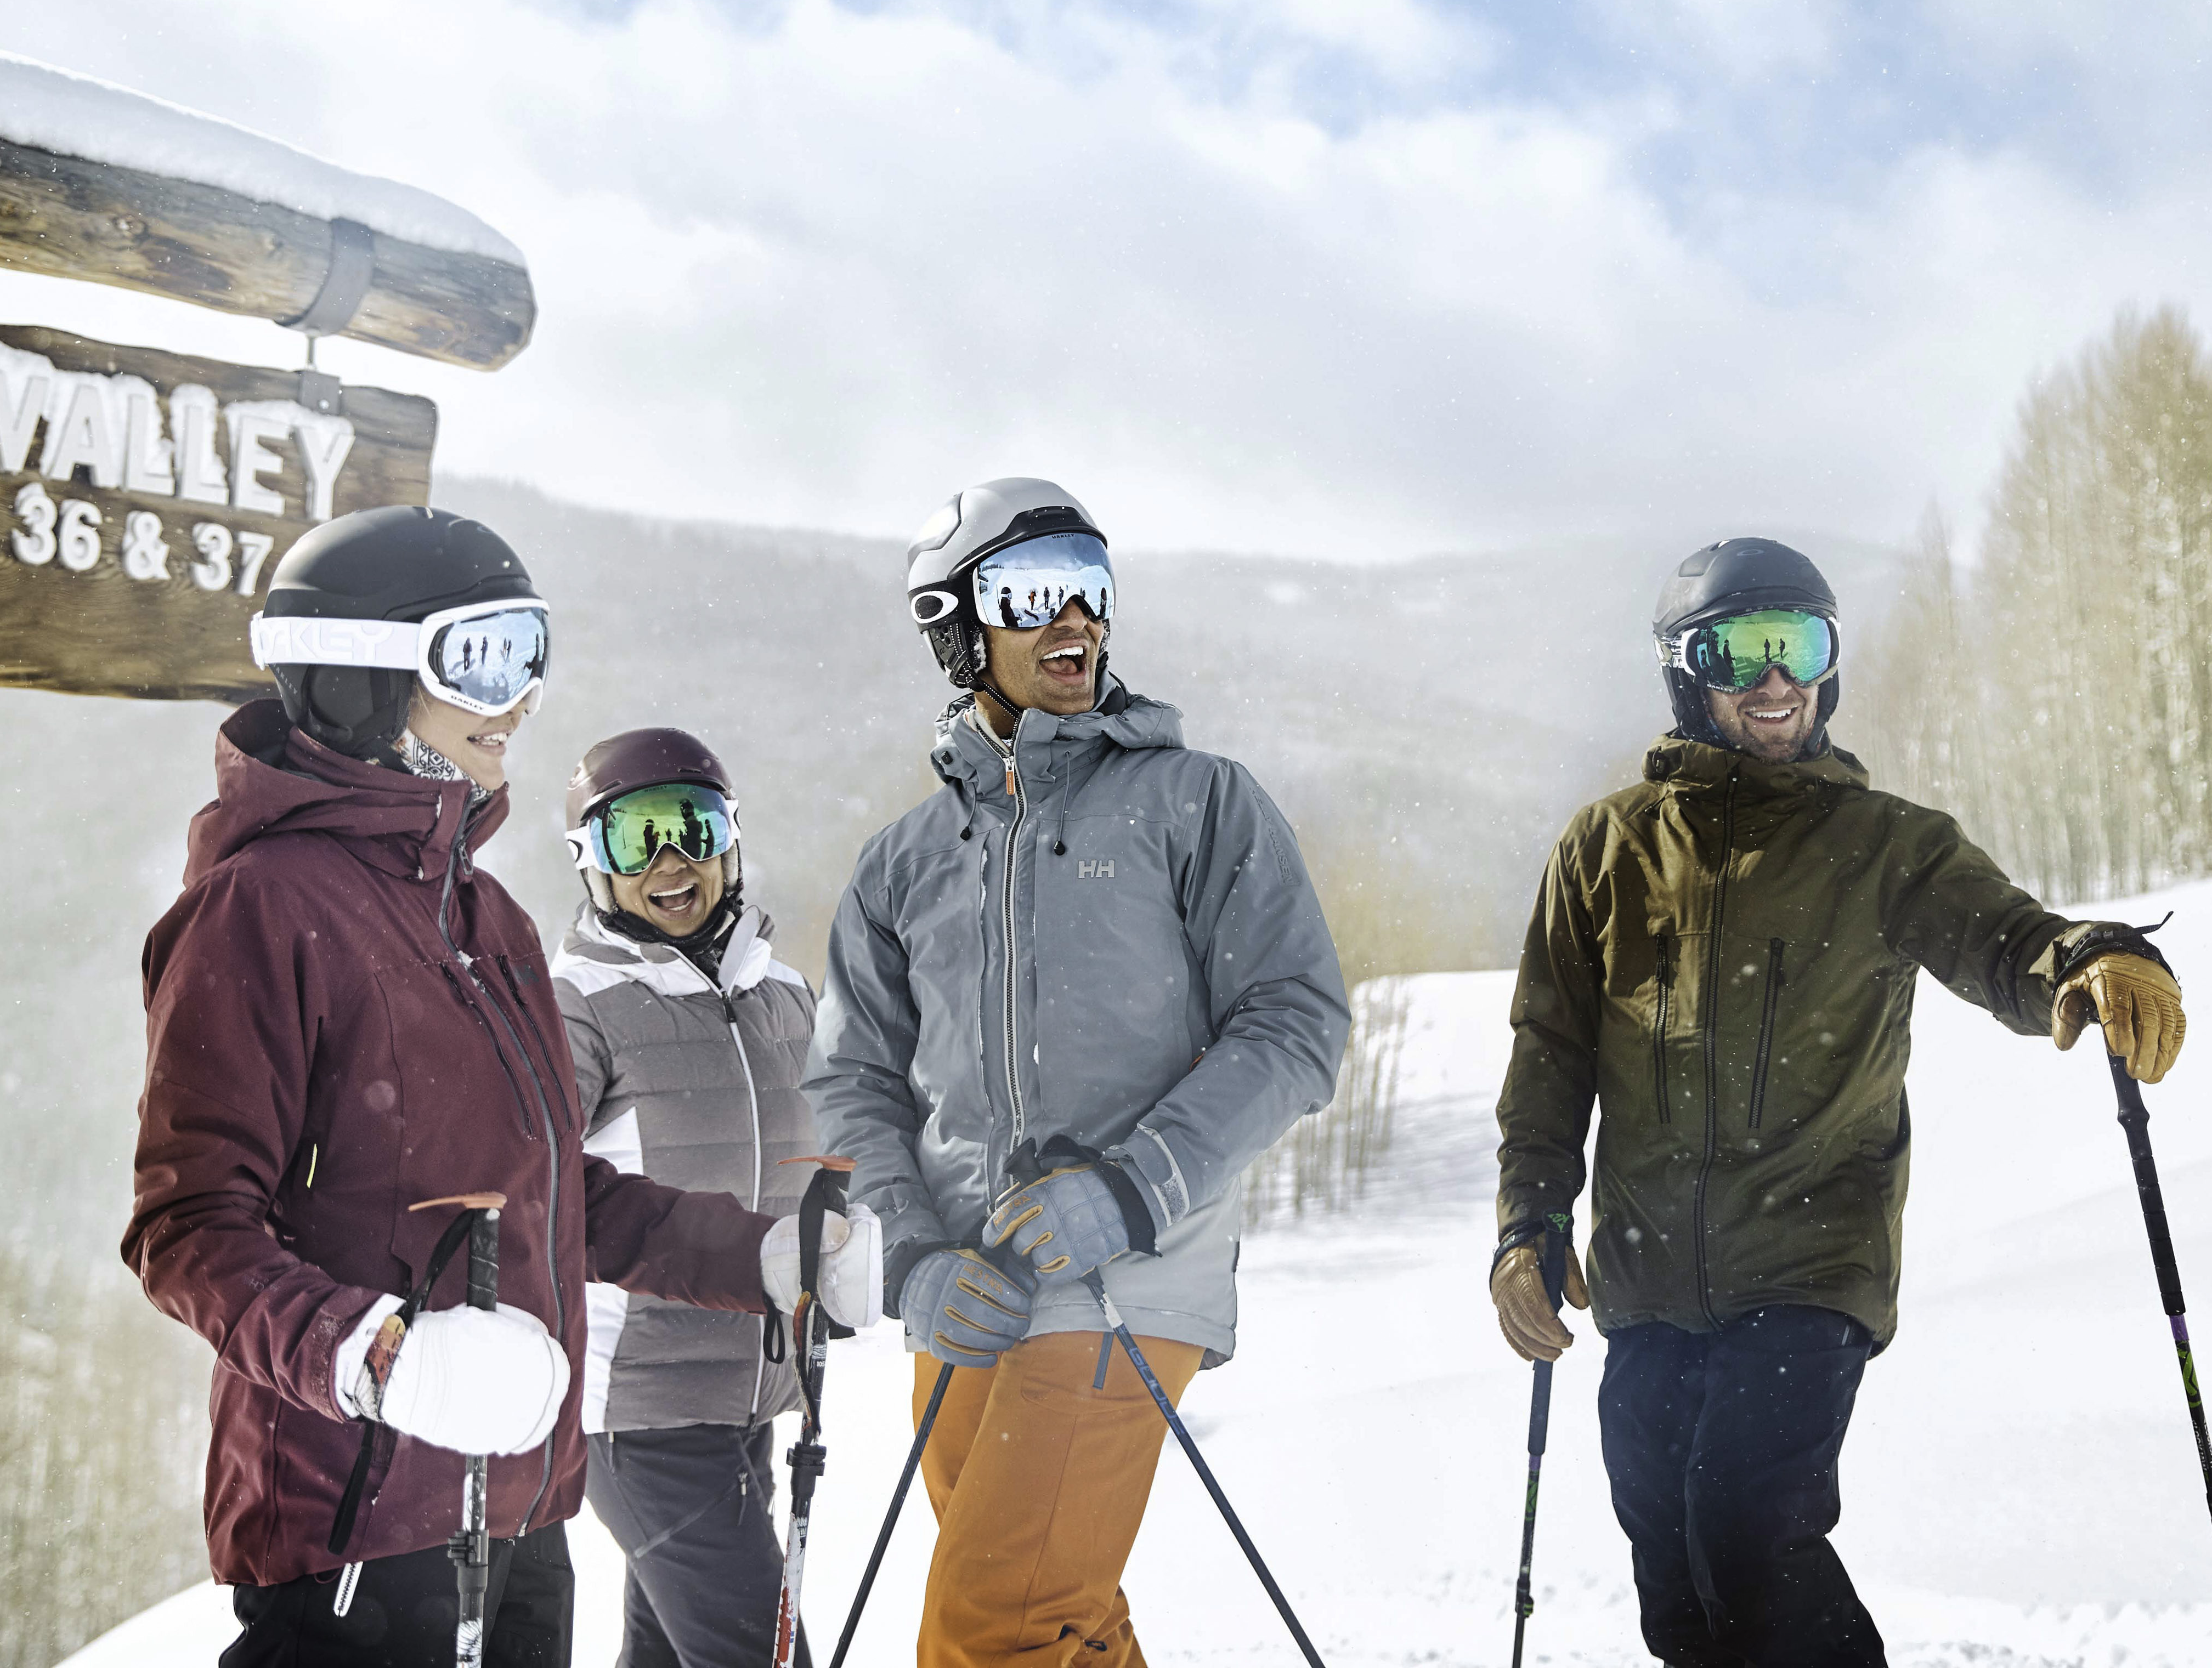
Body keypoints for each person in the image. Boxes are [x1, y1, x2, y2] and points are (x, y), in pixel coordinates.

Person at [124, 506, 876, 1668]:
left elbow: (556, 1190)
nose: (521, 697)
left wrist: (764, 1259)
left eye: (531, 652)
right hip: (355, 1525)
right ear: (367, 677)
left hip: (521, 1505)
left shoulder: (484, 916)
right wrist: (384, 1359)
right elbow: (188, 1230)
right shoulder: (261, 907)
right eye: (480, 659)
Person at [1490, 536, 2193, 1667]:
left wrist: (2091, 957)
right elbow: (1549, 1055)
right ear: (1686, 670)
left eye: (1801, 646)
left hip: (1809, 1261)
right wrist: (1526, 1223)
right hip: (1646, 1277)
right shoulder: (1606, 849)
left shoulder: (1884, 847)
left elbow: (2009, 942)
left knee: (1744, 1533)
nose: (1776, 681)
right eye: (1741, 652)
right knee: (1676, 1587)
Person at [805, 477, 1350, 1668]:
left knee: (990, 1626)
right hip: (966, 1299)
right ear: (956, 627)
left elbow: (1295, 1021)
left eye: (1091, 590)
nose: (1075, 621)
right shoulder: (901, 862)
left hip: (1128, 1281)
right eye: (1031, 592)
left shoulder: (1194, 803)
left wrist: (1128, 1190)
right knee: (1063, 1624)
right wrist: (907, 1260)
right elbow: (850, 1083)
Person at [551, 727, 865, 1668]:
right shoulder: (575, 1002)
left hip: (752, 1392)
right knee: (760, 1657)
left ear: (731, 838)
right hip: (640, 1409)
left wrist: (851, 1234)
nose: (671, 859)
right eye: (634, 837)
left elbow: (828, 1150)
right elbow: (541, 1191)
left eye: (693, 824)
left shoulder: (782, 993)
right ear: (592, 865)